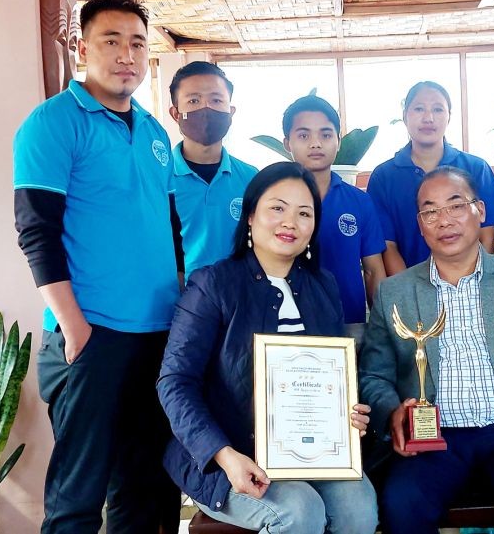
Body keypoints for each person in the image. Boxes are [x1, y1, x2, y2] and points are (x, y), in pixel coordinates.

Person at [12, 0, 179, 533]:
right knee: (78, 495)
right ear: (83, 48)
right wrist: (74, 327)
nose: (126, 54)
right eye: (111, 41)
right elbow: (36, 230)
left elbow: (168, 231)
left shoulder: (155, 133)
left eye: (136, 42)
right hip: (92, 336)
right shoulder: (53, 121)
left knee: (144, 487)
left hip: (157, 337)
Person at [157, 162, 379, 534]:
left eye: (304, 213)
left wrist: (346, 414)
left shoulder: (323, 287)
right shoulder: (213, 284)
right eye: (277, 208)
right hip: (226, 456)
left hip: (310, 455)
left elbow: (329, 375)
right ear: (250, 216)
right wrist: (225, 456)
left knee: (360, 508)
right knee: (298, 509)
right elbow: (174, 383)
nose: (290, 221)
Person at [360, 167, 494, 534]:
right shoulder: (394, 292)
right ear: (419, 224)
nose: (443, 220)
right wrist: (391, 412)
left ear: (479, 210)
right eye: (430, 211)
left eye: (455, 205)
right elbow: (374, 374)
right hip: (433, 437)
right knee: (401, 503)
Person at [367, 81, 494, 275]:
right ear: (405, 116)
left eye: (438, 109)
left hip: (469, 289)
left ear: (449, 117)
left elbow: (485, 235)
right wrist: (410, 293)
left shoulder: (476, 168)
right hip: (410, 292)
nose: (428, 118)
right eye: (419, 109)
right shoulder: (383, 177)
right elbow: (387, 245)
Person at [282, 95, 386, 337]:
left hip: (349, 324)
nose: (316, 144)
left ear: (338, 141)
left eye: (326, 135)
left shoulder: (359, 201)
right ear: (287, 143)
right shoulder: (273, 201)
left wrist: (382, 329)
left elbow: (373, 270)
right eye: (304, 135)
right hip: (287, 326)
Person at [168, 61, 258, 281]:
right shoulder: (156, 176)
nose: (205, 109)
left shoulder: (251, 178)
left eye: (216, 100)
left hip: (239, 303)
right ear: (175, 113)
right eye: (193, 100)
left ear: (231, 111)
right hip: (174, 305)